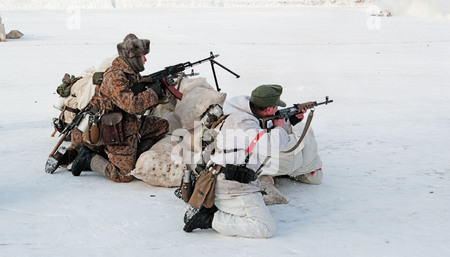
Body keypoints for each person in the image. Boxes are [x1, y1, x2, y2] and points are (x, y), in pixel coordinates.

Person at [183, 84, 323, 238]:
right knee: (264, 227)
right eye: (276, 107)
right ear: (269, 109)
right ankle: (209, 219)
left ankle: (217, 207)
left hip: (229, 179)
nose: (277, 110)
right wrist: (281, 128)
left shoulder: (246, 116)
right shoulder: (242, 122)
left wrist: (291, 121)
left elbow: (264, 133)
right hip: (232, 186)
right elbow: (270, 145)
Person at [70, 33, 169, 183]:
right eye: (143, 56)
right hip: (114, 131)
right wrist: (152, 92)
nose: (145, 59)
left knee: (162, 126)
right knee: (124, 174)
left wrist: (161, 91)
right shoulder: (115, 77)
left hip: (129, 124)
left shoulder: (131, 74)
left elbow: (141, 103)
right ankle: (88, 159)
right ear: (134, 57)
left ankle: (130, 153)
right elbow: (132, 105)